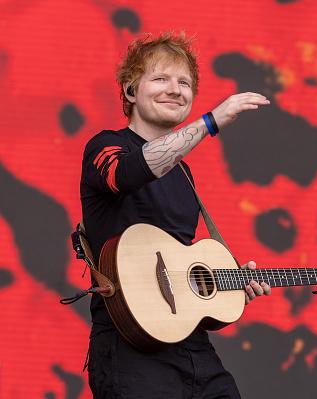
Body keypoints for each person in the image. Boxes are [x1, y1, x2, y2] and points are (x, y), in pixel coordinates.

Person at [80, 32, 271, 398]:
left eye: (184, 82)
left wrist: (229, 287)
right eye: (161, 79)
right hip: (130, 347)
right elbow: (131, 171)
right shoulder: (105, 147)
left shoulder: (184, 175)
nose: (176, 90)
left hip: (192, 348)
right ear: (130, 91)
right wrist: (210, 122)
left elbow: (177, 270)